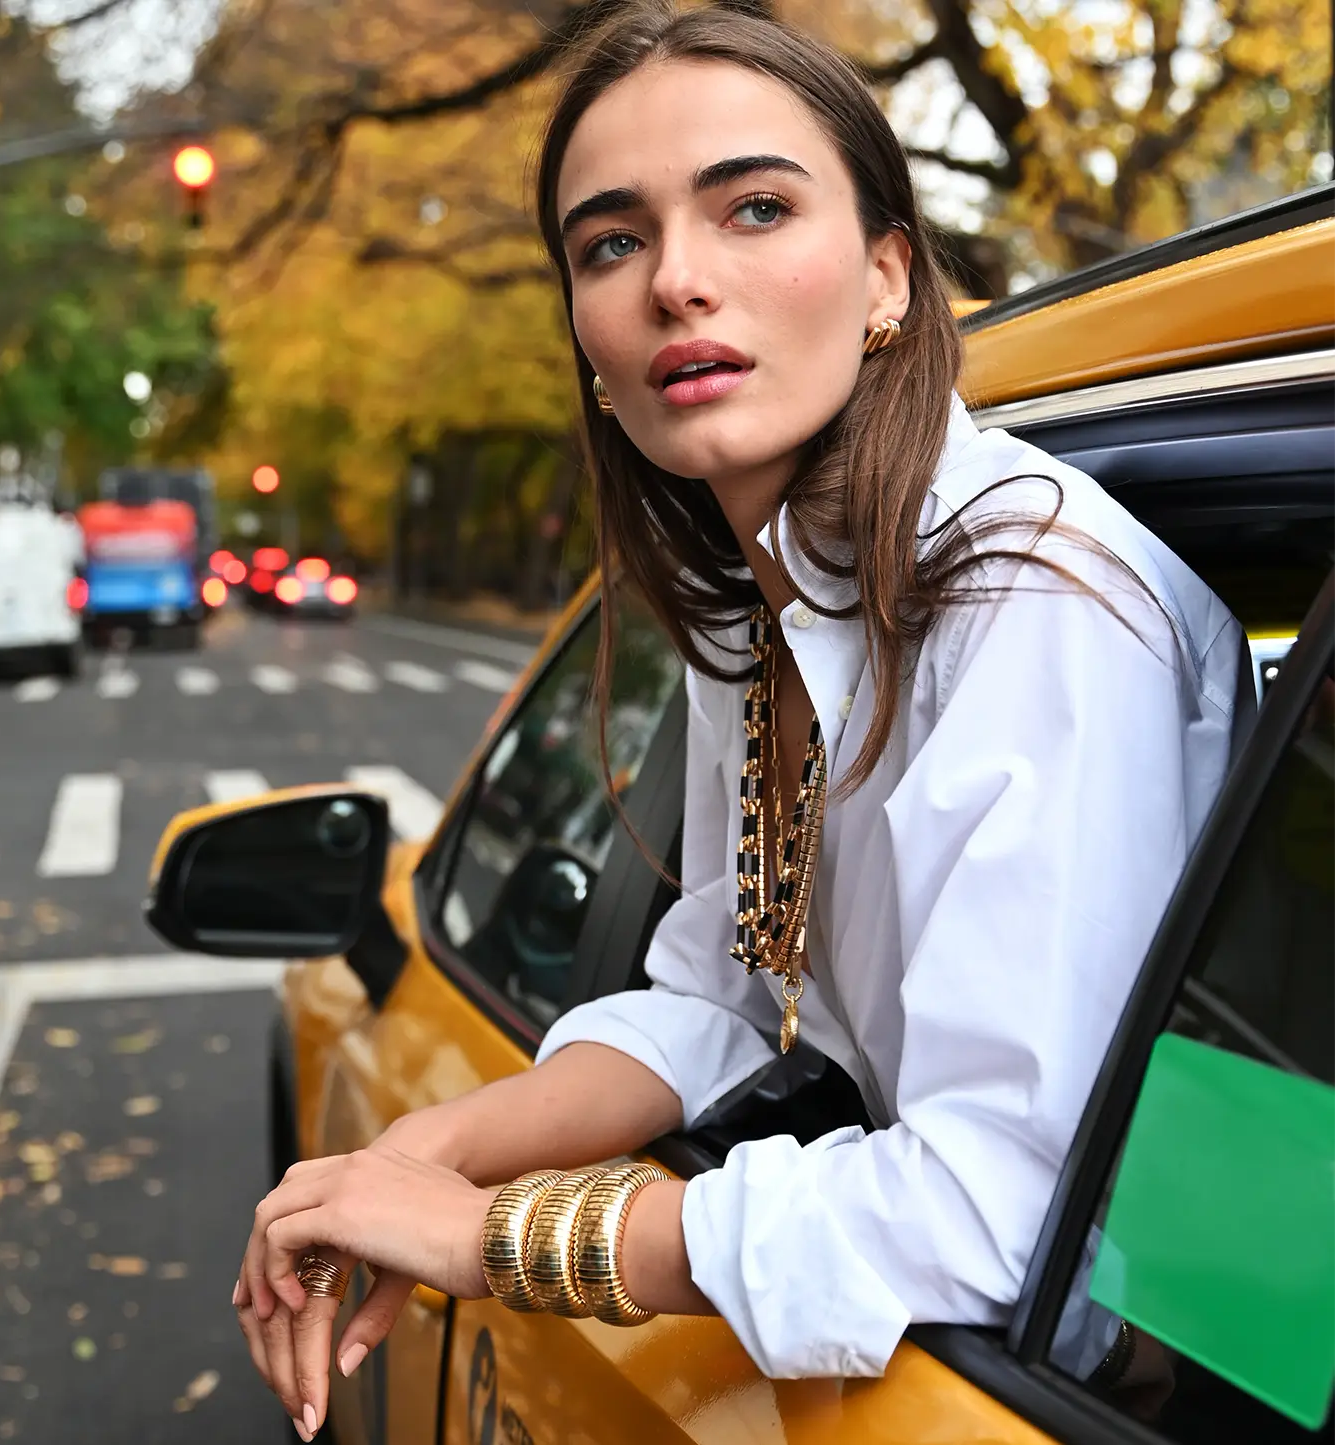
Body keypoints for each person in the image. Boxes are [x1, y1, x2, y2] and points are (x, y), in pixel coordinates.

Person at [232, 4, 1245, 1439]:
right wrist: (424, 1147)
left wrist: (501, 1241)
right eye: (610, 243)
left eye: (754, 207)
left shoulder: (1031, 591)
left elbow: (997, 1207)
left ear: (890, 275)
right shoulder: (767, 608)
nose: (677, 283)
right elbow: (727, 992)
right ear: (587, 339)